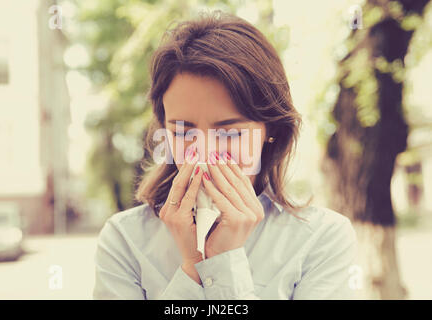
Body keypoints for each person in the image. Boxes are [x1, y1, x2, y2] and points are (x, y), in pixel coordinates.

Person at [93, 10, 358, 300]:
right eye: (183, 131)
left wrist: (224, 264)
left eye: (229, 132)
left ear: (271, 132)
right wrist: (193, 265)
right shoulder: (125, 239)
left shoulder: (322, 239)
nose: (204, 152)